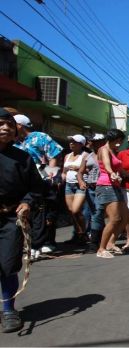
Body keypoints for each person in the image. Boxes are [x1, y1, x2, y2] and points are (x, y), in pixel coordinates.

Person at [0, 108, 42, 333]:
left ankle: (8, 310)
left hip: (10, 219)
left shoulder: (22, 157)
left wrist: (27, 202)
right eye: (0, 123)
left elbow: (36, 187)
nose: (6, 127)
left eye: (9, 124)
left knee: (7, 265)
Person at [12, 113, 63, 259]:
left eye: (13, 124)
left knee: (44, 211)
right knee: (28, 212)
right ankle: (30, 243)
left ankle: (39, 244)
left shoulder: (39, 136)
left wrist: (50, 176)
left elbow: (54, 155)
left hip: (42, 177)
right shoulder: (15, 141)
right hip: (23, 181)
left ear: (20, 125)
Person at [95, 129, 129, 258]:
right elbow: (107, 166)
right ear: (112, 139)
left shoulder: (113, 152)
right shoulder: (104, 149)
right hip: (106, 186)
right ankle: (101, 249)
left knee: (126, 217)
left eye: (120, 141)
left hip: (115, 186)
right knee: (114, 219)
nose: (119, 143)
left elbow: (122, 171)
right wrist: (112, 174)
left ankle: (111, 243)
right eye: (118, 140)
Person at [77, 133, 106, 252]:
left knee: (97, 213)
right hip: (90, 188)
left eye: (99, 142)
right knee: (94, 213)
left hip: (103, 188)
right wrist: (81, 181)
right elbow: (80, 172)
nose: (96, 144)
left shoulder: (107, 155)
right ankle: (99, 240)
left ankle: (94, 243)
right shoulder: (87, 156)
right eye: (94, 142)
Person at [62, 134, 89, 244]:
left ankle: (84, 233)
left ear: (81, 144)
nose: (71, 143)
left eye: (74, 142)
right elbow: (64, 171)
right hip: (69, 185)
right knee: (72, 212)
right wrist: (62, 177)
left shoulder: (85, 155)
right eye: (71, 141)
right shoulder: (67, 156)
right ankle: (79, 234)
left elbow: (90, 169)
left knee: (76, 209)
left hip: (80, 184)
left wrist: (77, 168)